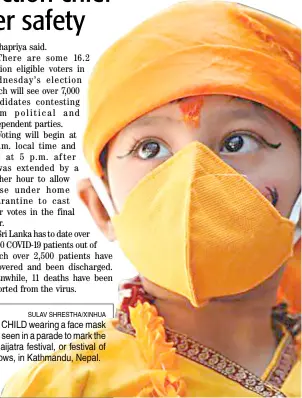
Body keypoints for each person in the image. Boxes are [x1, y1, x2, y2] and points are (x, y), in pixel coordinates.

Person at [2, 1, 301, 397]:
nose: (193, 173)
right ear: (101, 208)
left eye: (237, 141)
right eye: (150, 148)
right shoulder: (64, 386)